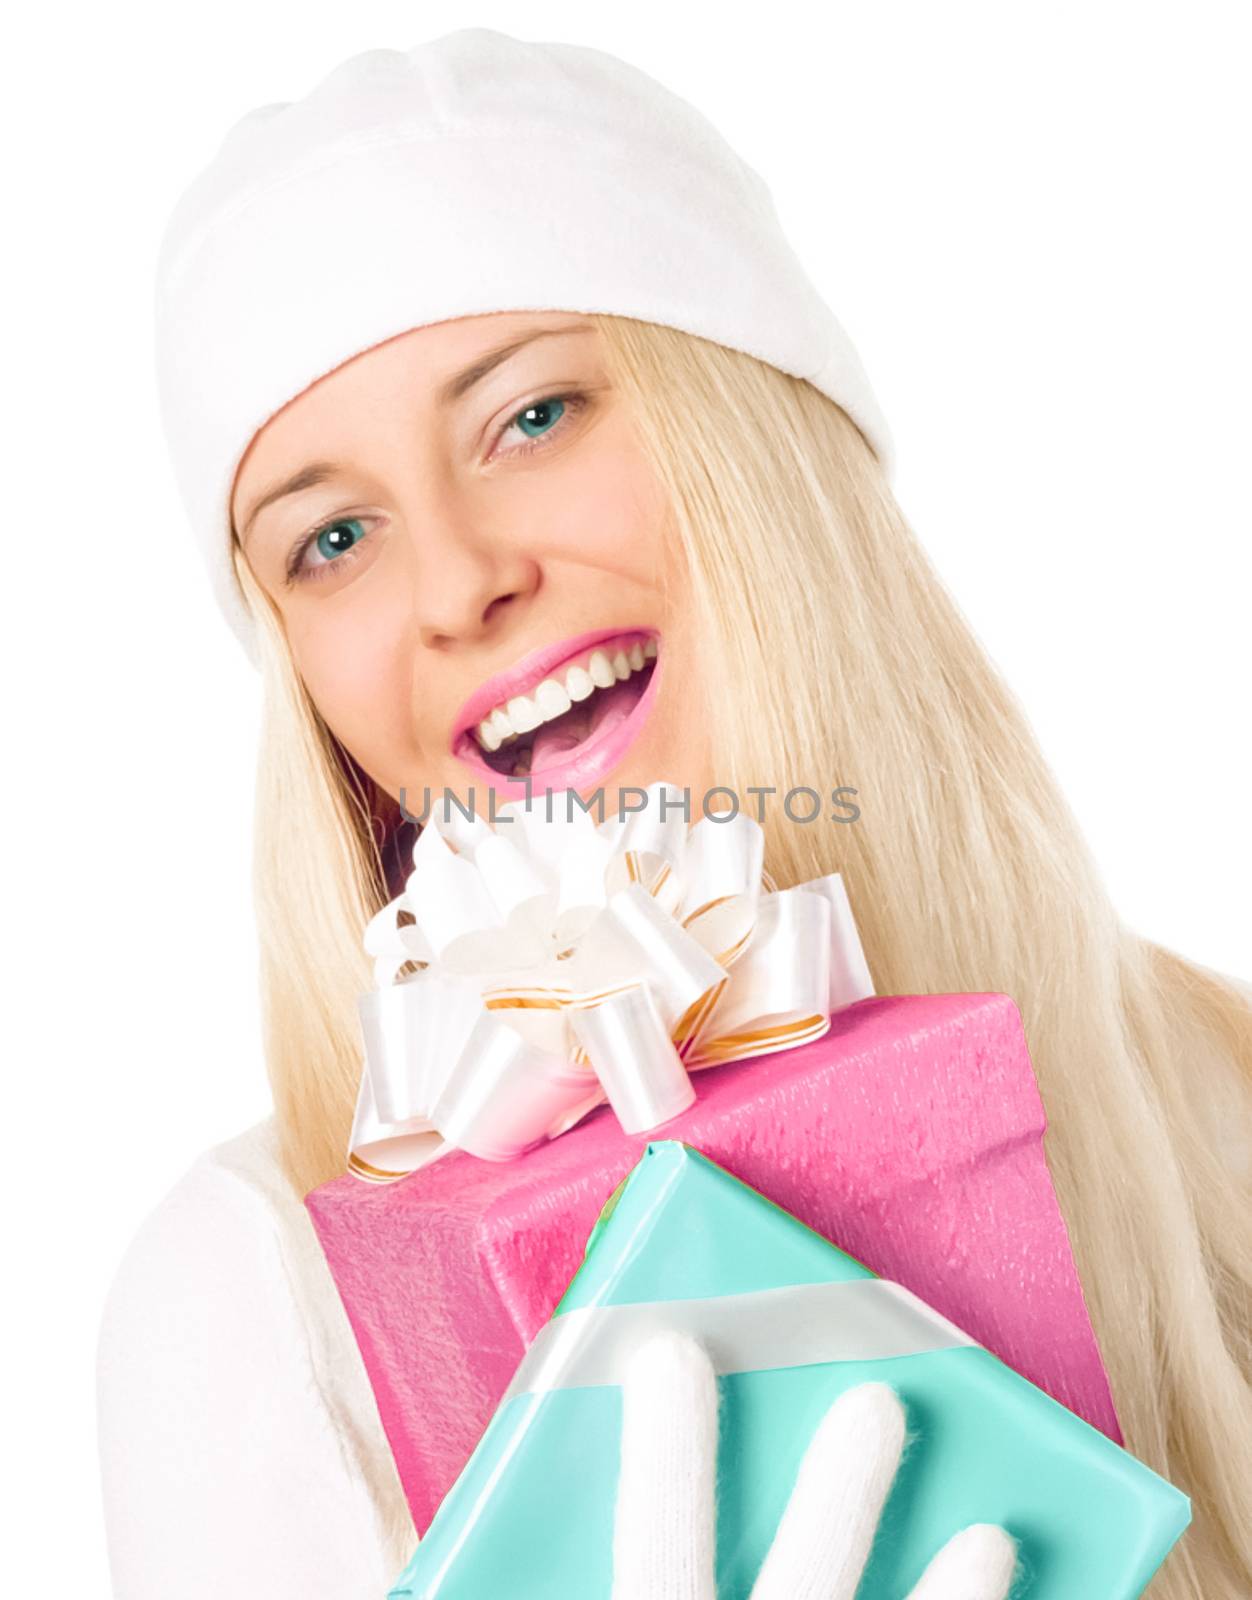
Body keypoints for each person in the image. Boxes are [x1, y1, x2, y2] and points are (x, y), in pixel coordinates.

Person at [96, 27, 1252, 1599]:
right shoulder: (253, 1311)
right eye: (334, 536)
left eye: (533, 417)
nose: (456, 584)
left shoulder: (1225, 1091)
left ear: (759, 434)